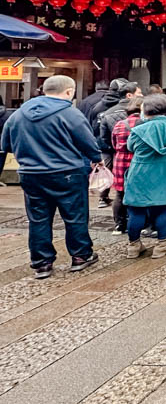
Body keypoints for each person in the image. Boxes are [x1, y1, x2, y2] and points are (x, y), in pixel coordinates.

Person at [0, 75, 101, 279]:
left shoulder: (18, 114)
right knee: (74, 215)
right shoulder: (70, 114)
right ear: (69, 92)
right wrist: (95, 159)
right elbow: (89, 144)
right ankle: (80, 255)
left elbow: (6, 145)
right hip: (67, 172)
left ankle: (42, 262)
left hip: (31, 173)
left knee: (38, 218)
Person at [124, 94, 166, 259]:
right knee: (164, 208)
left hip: (141, 174)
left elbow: (130, 148)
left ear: (145, 110)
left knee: (136, 210)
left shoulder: (138, 130)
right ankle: (162, 245)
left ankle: (134, 246)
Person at [96, 82, 142, 207]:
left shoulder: (108, 112)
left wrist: (114, 147)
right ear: (129, 95)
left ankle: (119, 223)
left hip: (117, 154)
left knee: (120, 192)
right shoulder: (143, 115)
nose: (142, 95)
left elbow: (104, 136)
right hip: (137, 156)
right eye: (139, 93)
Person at [109, 96, 144, 236]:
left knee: (120, 194)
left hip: (121, 160)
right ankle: (140, 223)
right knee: (140, 193)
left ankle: (119, 224)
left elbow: (113, 143)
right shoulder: (144, 123)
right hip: (139, 160)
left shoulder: (119, 124)